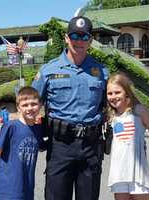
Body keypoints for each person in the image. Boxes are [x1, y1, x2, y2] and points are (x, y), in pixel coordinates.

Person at [32, 16, 108, 200]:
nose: (79, 41)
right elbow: (31, 104)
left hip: (91, 146)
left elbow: (115, 103)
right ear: (66, 38)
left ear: (90, 41)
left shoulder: (102, 72)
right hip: (60, 146)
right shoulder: (48, 71)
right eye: (75, 35)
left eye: (84, 37)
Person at [106, 73, 149, 200]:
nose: (113, 96)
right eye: (110, 93)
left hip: (139, 175)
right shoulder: (111, 116)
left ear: (126, 92)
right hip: (119, 175)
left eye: (117, 92)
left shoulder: (139, 111)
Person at [0, 86, 46, 200]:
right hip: (8, 190)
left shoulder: (38, 129)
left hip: (27, 189)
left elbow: (40, 147)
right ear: (18, 107)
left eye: (33, 104)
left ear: (40, 105)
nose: (29, 108)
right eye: (25, 105)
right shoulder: (11, 126)